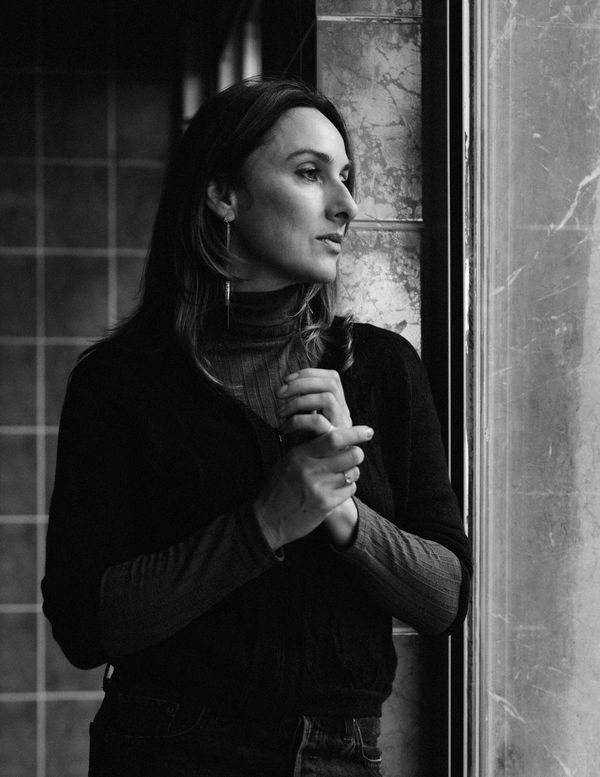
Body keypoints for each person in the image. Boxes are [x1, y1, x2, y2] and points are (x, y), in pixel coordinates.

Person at [42, 78, 472, 777]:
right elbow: (85, 626)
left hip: (338, 756)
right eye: (309, 173)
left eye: (346, 176)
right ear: (223, 194)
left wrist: (342, 512)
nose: (346, 203)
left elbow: (444, 599)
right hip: (168, 750)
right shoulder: (120, 382)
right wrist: (265, 522)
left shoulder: (382, 368)